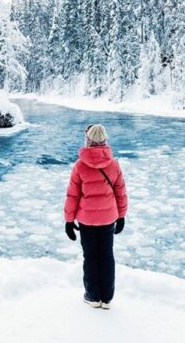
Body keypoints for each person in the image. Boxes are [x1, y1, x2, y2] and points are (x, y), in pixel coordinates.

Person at [64, 124, 128, 310]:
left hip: (86, 220)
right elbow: (121, 192)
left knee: (90, 257)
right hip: (108, 218)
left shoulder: (80, 165)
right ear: (105, 140)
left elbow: (72, 195)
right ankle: (107, 298)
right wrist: (121, 215)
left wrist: (69, 221)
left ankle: (92, 296)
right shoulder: (114, 164)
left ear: (88, 140)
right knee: (107, 256)